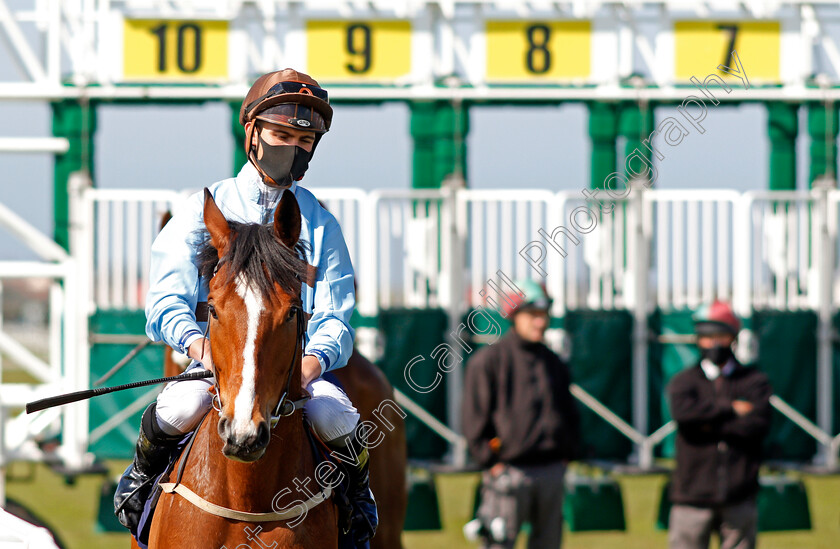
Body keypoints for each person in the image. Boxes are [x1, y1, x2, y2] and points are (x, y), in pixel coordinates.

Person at [113, 68, 377, 544]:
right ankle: (139, 485)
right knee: (180, 404)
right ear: (252, 133)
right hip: (215, 360)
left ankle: (359, 503)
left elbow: (336, 315)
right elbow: (165, 300)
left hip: (292, 369)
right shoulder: (200, 210)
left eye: (303, 139)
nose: (291, 148)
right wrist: (200, 349)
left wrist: (312, 363)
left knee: (335, 416)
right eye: (281, 134)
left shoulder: (320, 224)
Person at [462, 280, 580, 549]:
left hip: (551, 472)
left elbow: (569, 414)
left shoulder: (554, 363)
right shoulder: (488, 362)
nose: (540, 323)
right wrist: (491, 463)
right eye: (533, 315)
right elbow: (473, 418)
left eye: (544, 315)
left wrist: (566, 456)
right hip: (508, 474)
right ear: (514, 316)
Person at [667, 300, 772, 549]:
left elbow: (757, 425)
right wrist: (731, 409)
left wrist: (707, 424)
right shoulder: (684, 381)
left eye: (720, 335)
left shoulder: (754, 381)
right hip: (691, 495)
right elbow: (685, 417)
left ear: (733, 338)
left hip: (739, 494)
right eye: (706, 336)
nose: (713, 343)